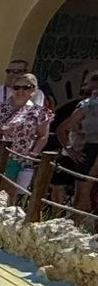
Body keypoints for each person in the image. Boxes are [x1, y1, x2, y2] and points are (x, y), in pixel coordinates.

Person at [0, 73, 55, 190]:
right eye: (16, 87)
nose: (20, 90)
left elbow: (42, 136)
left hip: (18, 157)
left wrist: (33, 154)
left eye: (26, 87)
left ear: (33, 90)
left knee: (8, 192)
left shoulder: (40, 112)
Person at [54, 76, 98, 212]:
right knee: (82, 198)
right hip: (90, 150)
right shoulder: (88, 104)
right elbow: (63, 129)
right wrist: (71, 150)